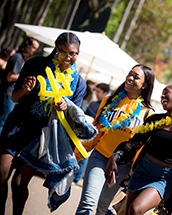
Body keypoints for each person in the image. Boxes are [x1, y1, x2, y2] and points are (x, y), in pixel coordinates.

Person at [0, 32, 87, 215]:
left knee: (19, 182)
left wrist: (64, 107)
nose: (69, 58)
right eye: (63, 52)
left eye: (74, 53)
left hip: (42, 137)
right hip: (18, 125)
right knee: (1, 173)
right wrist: (25, 89)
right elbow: (15, 97)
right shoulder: (36, 64)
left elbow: (73, 117)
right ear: (56, 48)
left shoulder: (78, 84)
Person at [105, 84, 172, 215]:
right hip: (142, 170)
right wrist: (115, 156)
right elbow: (134, 144)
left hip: (164, 178)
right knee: (128, 212)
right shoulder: (154, 120)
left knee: (136, 209)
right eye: (162, 94)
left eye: (166, 92)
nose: (162, 96)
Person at [75, 64, 155, 215]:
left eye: (136, 77)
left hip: (122, 167)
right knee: (88, 203)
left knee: (102, 209)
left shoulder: (147, 114)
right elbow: (96, 132)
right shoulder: (109, 102)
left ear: (145, 85)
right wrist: (77, 155)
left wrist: (132, 173)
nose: (130, 78)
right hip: (100, 157)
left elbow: (140, 148)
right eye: (130, 74)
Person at [0, 37, 39, 134]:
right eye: (33, 47)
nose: (34, 51)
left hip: (8, 94)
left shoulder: (20, 58)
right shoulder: (18, 57)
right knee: (2, 122)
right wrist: (24, 76)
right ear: (27, 45)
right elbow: (10, 77)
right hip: (7, 94)